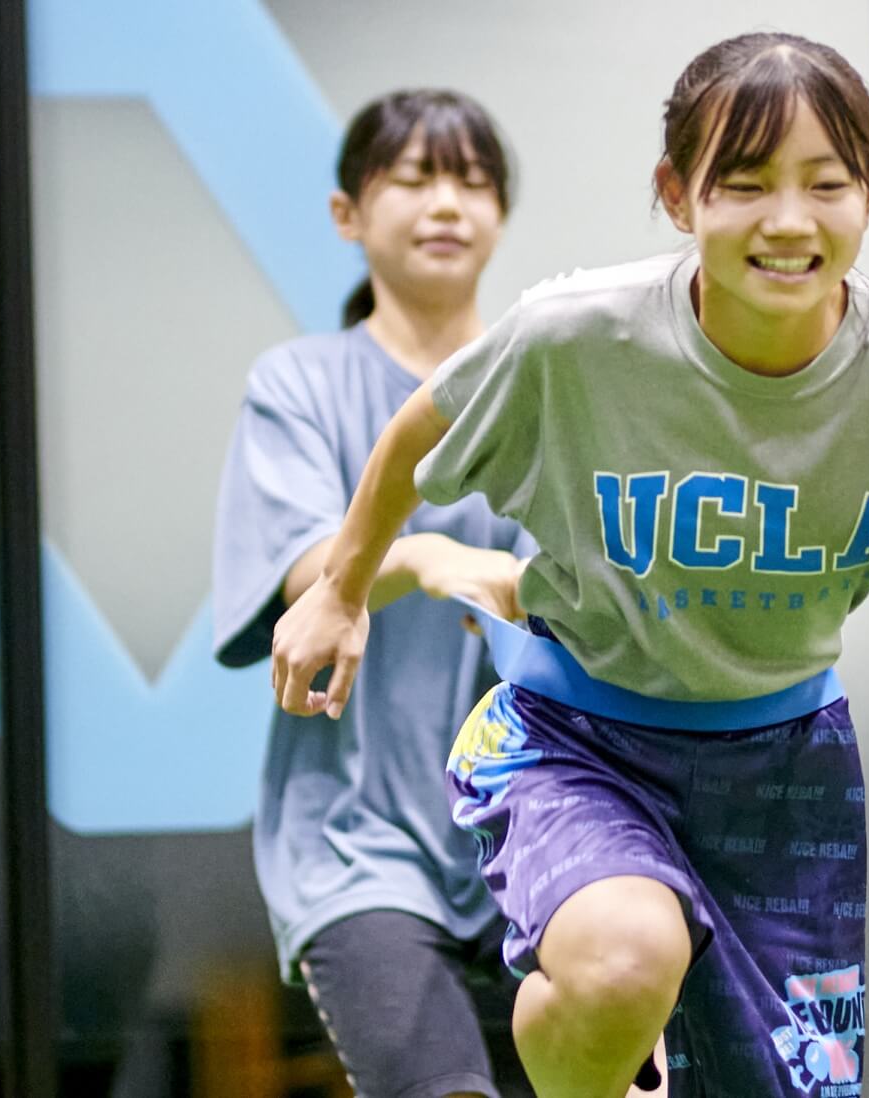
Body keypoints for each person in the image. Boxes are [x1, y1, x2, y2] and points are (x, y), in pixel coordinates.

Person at [268, 33, 869, 1098]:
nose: (788, 220)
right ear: (678, 196)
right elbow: (421, 429)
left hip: (783, 776)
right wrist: (342, 589)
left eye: (827, 184)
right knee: (624, 961)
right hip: (577, 737)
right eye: (745, 184)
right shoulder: (578, 332)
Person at [211, 87, 538, 1098]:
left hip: (543, 826)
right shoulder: (300, 384)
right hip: (357, 841)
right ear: (347, 213)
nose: (447, 204)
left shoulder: (545, 381)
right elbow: (304, 573)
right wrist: (426, 557)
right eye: (414, 178)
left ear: (500, 214)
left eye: (472, 182)